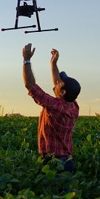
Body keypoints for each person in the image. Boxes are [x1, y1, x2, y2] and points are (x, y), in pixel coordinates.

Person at [22, 43, 81, 174]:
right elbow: (57, 86)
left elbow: (30, 85)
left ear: (63, 92)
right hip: (67, 161)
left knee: (50, 193)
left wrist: (26, 60)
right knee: (64, 194)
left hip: (53, 163)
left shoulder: (55, 106)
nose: (57, 81)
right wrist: (53, 64)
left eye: (60, 82)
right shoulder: (73, 106)